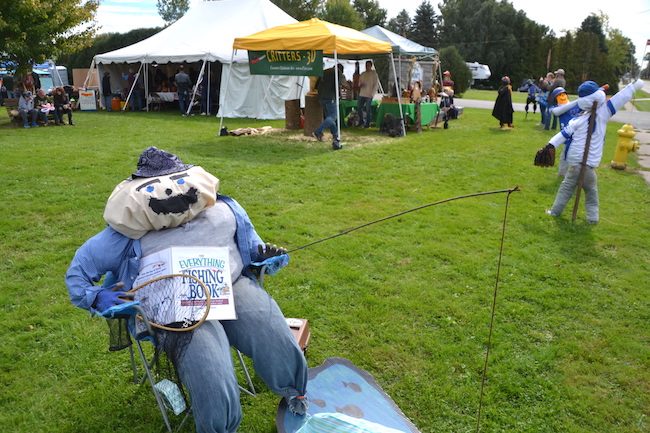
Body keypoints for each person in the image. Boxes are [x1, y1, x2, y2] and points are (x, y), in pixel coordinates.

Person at [65, 146, 309, 433]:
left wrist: (265, 256)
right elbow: (78, 276)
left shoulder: (227, 210)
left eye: (179, 182)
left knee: (270, 330)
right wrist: (97, 297)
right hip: (172, 305)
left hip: (230, 284)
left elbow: (254, 248)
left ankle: (296, 391)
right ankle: (220, 427)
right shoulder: (124, 233)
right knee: (210, 367)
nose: (171, 193)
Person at [543, 79, 644, 223]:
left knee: (566, 188)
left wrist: (550, 145)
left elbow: (563, 134)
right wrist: (633, 87)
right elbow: (619, 98)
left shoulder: (580, 119)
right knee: (591, 192)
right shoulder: (603, 112)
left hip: (576, 164)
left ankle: (555, 212)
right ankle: (592, 218)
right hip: (588, 165)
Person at [312, 64, 349, 150]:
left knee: (330, 117)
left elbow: (316, 86)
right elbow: (339, 85)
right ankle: (317, 132)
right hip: (330, 97)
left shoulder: (324, 72)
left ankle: (335, 136)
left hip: (321, 97)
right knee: (333, 116)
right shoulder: (338, 73)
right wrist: (346, 87)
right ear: (340, 69)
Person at [547, 87, 581, 176]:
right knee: (564, 156)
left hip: (578, 134)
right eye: (559, 95)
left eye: (563, 94)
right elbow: (558, 111)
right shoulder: (553, 108)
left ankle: (575, 174)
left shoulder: (577, 104)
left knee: (575, 156)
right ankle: (563, 173)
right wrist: (577, 101)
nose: (562, 97)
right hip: (566, 135)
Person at [356, 60, 379, 128]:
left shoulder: (374, 74)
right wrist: (360, 84)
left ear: (371, 66)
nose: (367, 67)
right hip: (362, 93)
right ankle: (361, 121)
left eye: (368, 65)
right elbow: (359, 82)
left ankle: (368, 123)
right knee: (359, 107)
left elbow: (375, 85)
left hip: (369, 94)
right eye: (366, 65)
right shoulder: (363, 74)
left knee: (368, 109)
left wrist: (372, 94)